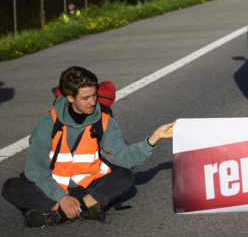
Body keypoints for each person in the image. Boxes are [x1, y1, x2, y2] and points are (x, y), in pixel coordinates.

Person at [2, 66, 175, 227]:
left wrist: (154, 137)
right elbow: (35, 170)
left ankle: (58, 214)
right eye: (85, 98)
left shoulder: (105, 121)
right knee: (11, 187)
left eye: (94, 95)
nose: (92, 102)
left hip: (88, 189)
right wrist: (62, 197)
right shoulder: (49, 122)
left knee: (125, 176)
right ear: (70, 98)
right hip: (54, 188)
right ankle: (83, 209)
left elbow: (123, 158)